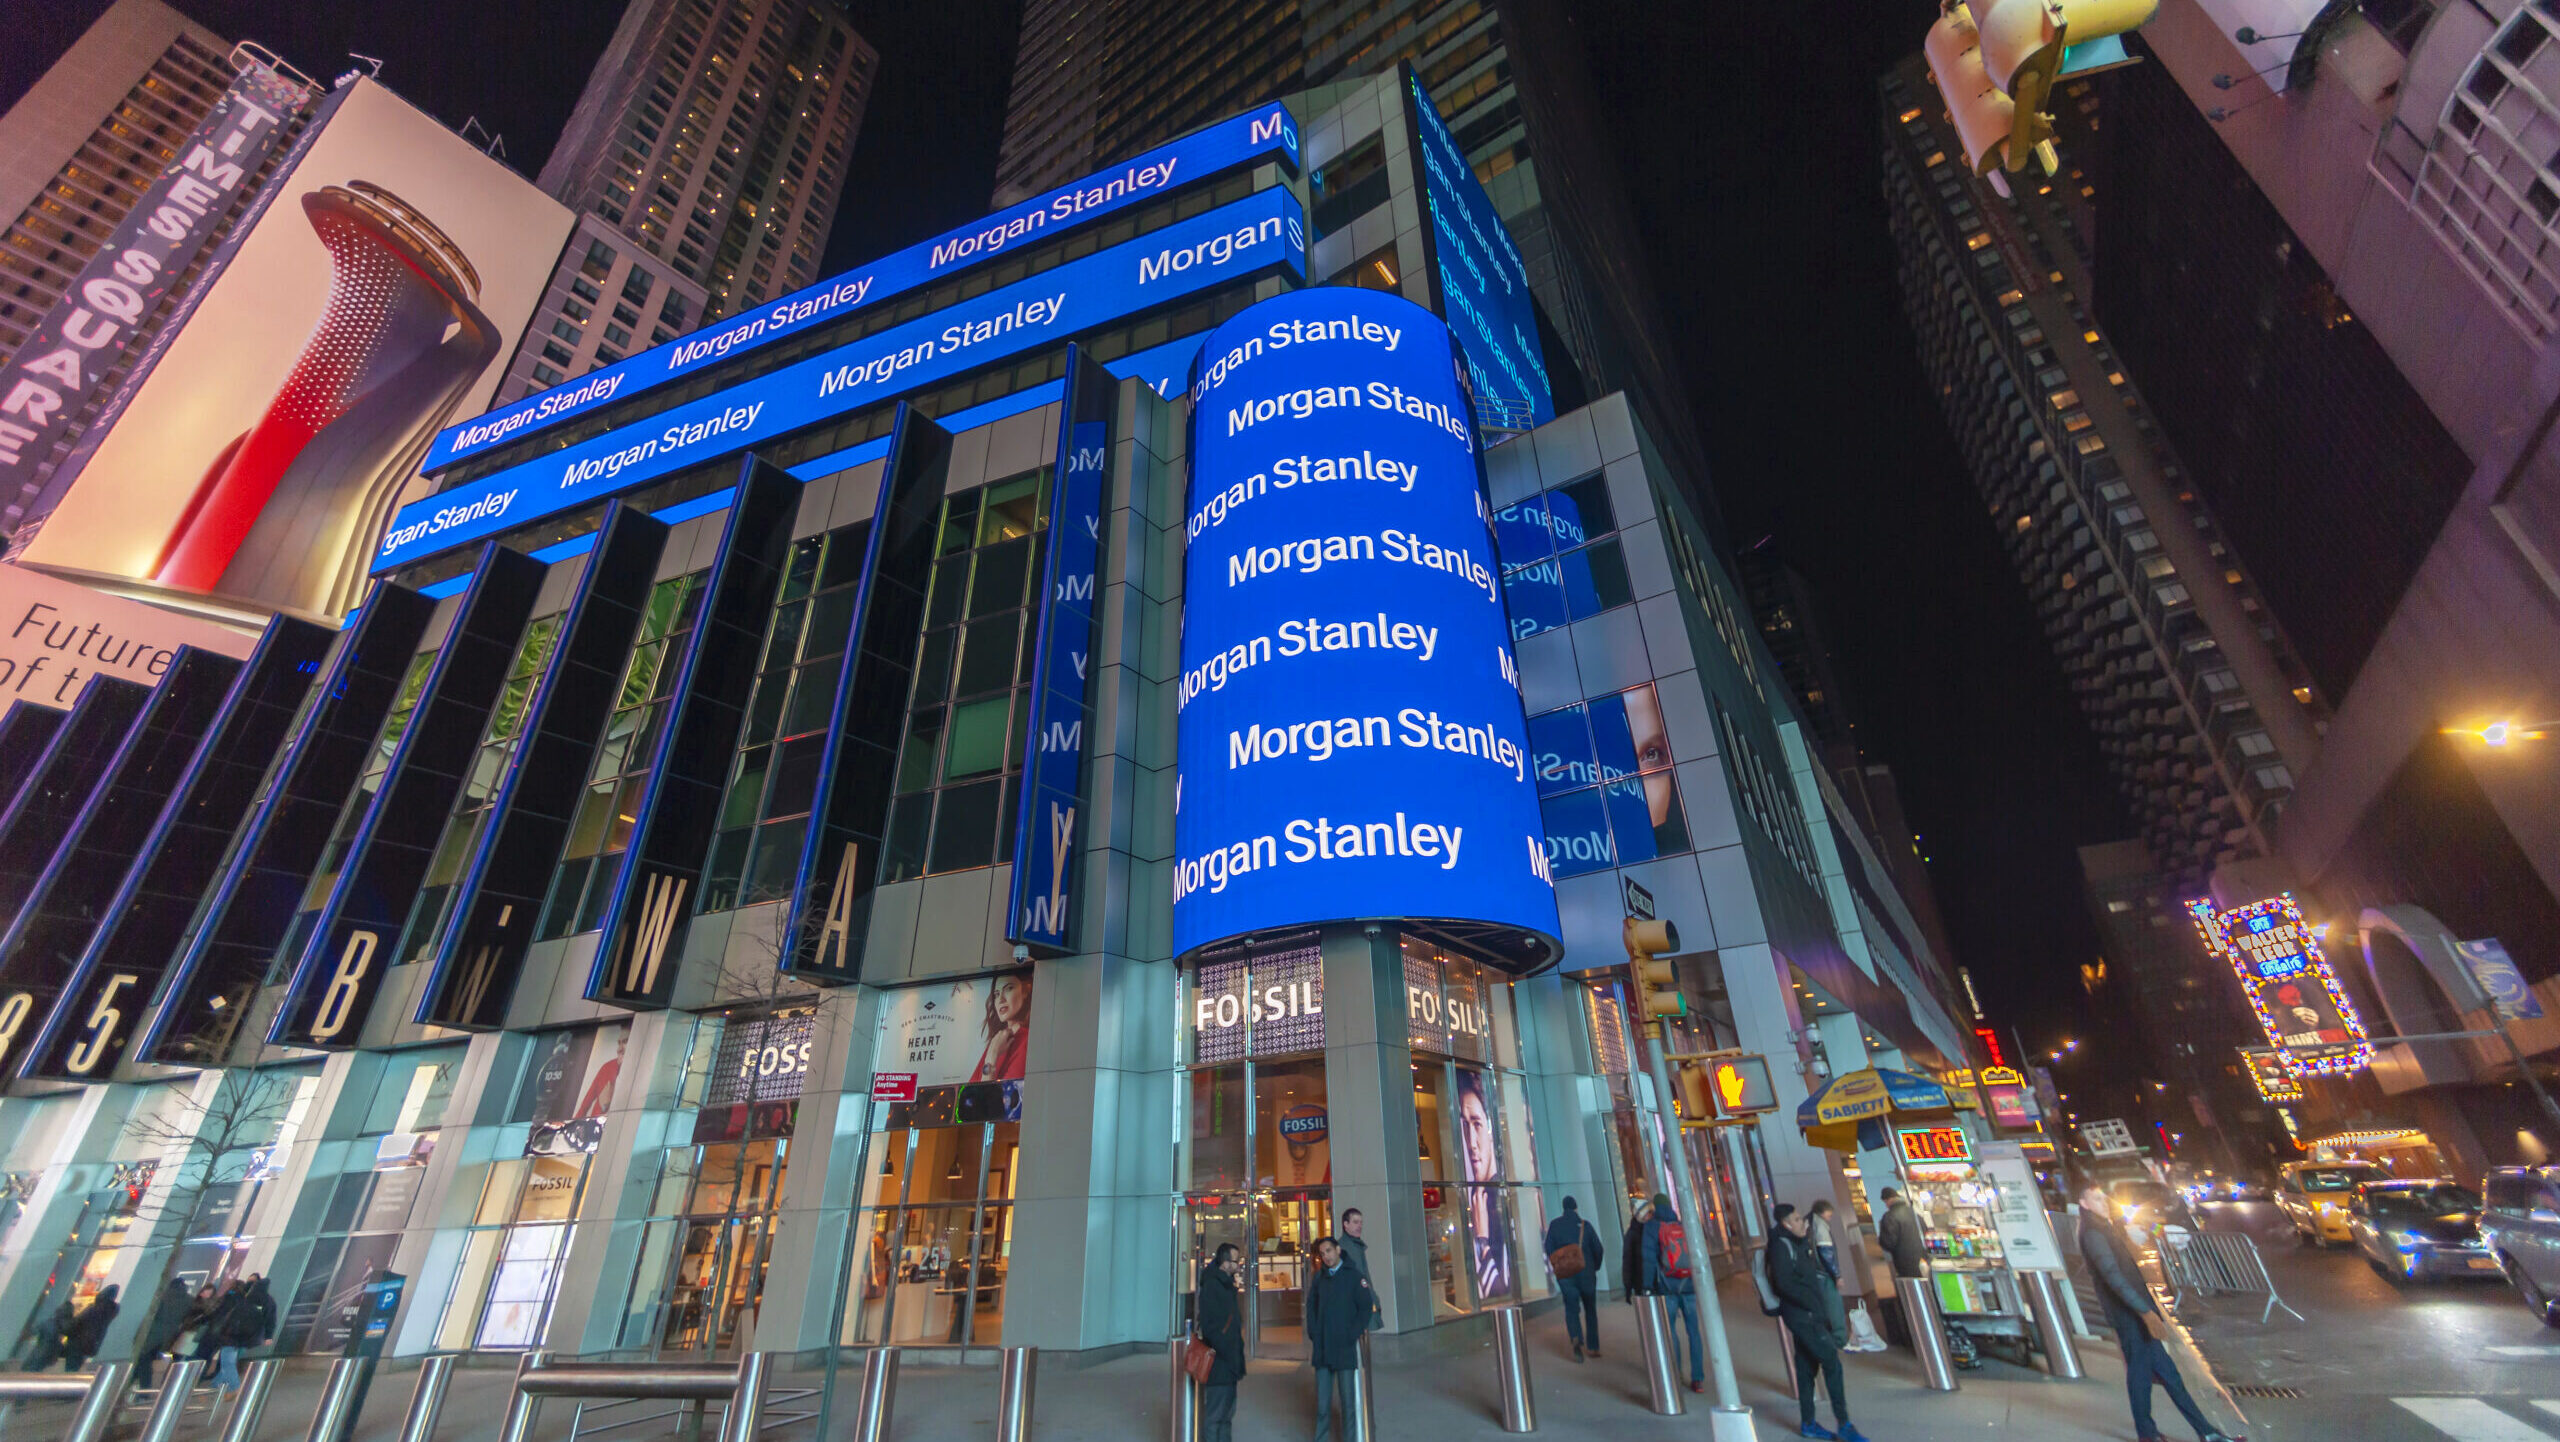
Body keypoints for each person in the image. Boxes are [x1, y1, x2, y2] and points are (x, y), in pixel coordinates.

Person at [2079, 1184, 2239, 1442]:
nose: (2103, 1202)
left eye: (2103, 1197)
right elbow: (2112, 1276)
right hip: (2130, 1315)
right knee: (2142, 1377)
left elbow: (2137, 1228)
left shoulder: (2105, 1226)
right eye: (2096, 1199)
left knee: (2166, 1375)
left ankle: (2205, 1433)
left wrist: (2155, 1229)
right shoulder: (2093, 1233)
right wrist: (2144, 1312)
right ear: (2084, 1204)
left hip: (2136, 1312)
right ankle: (2156, 1434)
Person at [1769, 1206, 1862, 1441]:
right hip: (1803, 1316)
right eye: (1798, 1219)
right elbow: (1784, 1283)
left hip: (1807, 1314)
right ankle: (1844, 1424)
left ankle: (1808, 1423)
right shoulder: (1781, 1245)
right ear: (1786, 1223)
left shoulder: (1795, 1242)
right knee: (1831, 1361)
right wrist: (1811, 1304)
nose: (1804, 1223)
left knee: (1805, 1367)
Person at [1304, 1237, 1373, 1442]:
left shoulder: (1354, 1277)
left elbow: (1365, 1308)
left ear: (1338, 1250)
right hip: (1323, 1348)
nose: (1326, 1256)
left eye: (1328, 1251)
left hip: (1344, 1348)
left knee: (1348, 1403)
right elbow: (1311, 1306)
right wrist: (1314, 1332)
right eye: (1322, 1253)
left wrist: (1351, 1333)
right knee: (1323, 1405)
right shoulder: (1319, 1278)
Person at [1640, 1195, 1705, 1393]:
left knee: (1671, 1332)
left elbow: (1649, 1258)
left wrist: (1647, 1286)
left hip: (1666, 1286)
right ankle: (1698, 1378)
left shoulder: (1652, 1227)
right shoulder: (1683, 1224)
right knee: (1694, 1331)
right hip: (1689, 1285)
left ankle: (1675, 1374)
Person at [1541, 1195, 1605, 1361]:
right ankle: (1593, 1346)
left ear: (1563, 1208)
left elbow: (1548, 1248)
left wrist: (1558, 1266)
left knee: (1571, 1308)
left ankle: (1576, 1338)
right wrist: (1594, 1267)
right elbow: (1598, 1249)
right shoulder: (1585, 1226)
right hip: (1586, 1274)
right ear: (1575, 1208)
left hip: (1566, 1275)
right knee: (1590, 1309)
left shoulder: (1555, 1225)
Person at [1196, 1244, 1247, 1442]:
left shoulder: (1225, 1284)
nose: (1237, 1264)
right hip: (1220, 1361)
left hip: (1229, 1359)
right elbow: (1210, 1326)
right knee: (1216, 1414)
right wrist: (1226, 1348)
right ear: (1225, 1262)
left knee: (1226, 1415)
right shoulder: (1213, 1286)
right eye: (1235, 1260)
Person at [210, 1275, 275, 1399]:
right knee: (228, 1361)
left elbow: (233, 1318)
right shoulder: (268, 1301)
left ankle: (234, 1387)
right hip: (247, 1338)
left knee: (227, 1361)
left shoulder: (245, 1299)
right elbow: (270, 1320)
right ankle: (215, 1385)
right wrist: (267, 1336)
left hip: (233, 1335)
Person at [969, 973, 1032, 1082]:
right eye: (996, 994)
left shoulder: (1028, 1040)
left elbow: (995, 1097)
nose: (1001, 999)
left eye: (1009, 989)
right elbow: (970, 1094)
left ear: (1025, 991)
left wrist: (992, 1056)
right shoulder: (996, 1042)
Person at [136, 1276, 195, 1387]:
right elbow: (189, 1318)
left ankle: (143, 1388)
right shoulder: (190, 1300)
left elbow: (153, 1314)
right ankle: (163, 1384)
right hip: (172, 1334)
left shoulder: (163, 1296)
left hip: (155, 1332)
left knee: (144, 1358)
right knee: (164, 1357)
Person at [1337, 1209, 1381, 1331]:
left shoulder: (1354, 1245)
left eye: (1361, 1222)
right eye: (1355, 1222)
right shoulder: (1347, 1247)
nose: (1359, 1226)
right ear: (1346, 1224)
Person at [61, 1285, 118, 1371]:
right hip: (90, 1345)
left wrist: (65, 1325)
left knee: (70, 1369)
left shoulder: (93, 1309)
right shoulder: (110, 1311)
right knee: (74, 1368)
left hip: (78, 1344)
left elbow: (76, 1323)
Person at [1876, 1188, 1928, 1279]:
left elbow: (1888, 1242)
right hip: (1923, 1258)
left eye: (1885, 1202)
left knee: (1912, 1287)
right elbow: (1926, 1232)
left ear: (1889, 1200)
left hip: (1904, 1262)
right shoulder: (1914, 1213)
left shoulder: (1889, 1217)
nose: (1886, 1205)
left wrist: (1880, 1241)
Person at [23, 1296, 75, 1370]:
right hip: (46, 1354)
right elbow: (56, 1342)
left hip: (38, 1351)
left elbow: (35, 1330)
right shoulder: (61, 1325)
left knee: (29, 1367)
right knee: (35, 1368)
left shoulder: (49, 1322)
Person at [1621, 1198, 1652, 1304]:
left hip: (1652, 1278)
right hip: (1641, 1280)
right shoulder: (1632, 1235)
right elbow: (1627, 1262)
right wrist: (1628, 1287)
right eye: (1648, 1213)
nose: (1650, 1216)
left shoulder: (1650, 1229)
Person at [1806, 1199, 1842, 1281]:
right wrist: (1837, 1275)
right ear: (1821, 1213)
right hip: (1823, 1272)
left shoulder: (1809, 1221)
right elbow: (1826, 1253)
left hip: (1814, 1269)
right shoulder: (1820, 1226)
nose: (1830, 1218)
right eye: (1829, 1215)